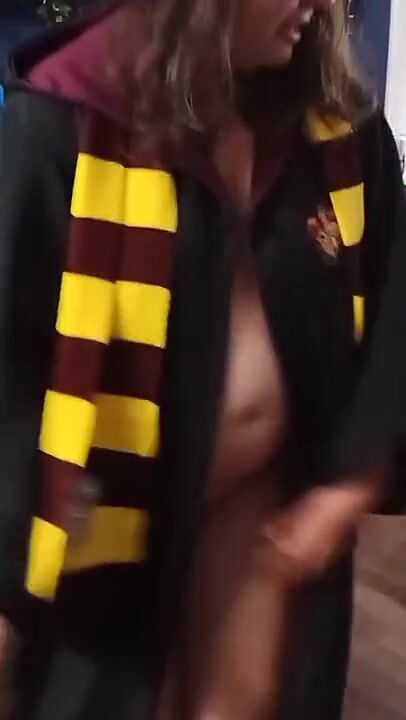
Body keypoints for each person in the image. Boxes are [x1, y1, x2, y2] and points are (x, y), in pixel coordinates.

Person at [0, 0, 406, 718]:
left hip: (263, 513)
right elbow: (9, 364)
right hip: (109, 531)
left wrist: (352, 481)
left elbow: (393, 320)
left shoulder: (340, 135)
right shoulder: (64, 126)